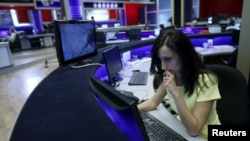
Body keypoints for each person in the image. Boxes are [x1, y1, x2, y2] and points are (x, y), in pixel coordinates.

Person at [138, 29, 221, 139]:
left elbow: (194, 130)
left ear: (184, 56)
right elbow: (153, 102)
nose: (163, 67)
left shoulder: (206, 81)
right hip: (182, 130)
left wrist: (175, 93)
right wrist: (129, 112)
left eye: (168, 59)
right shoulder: (171, 75)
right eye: (160, 60)